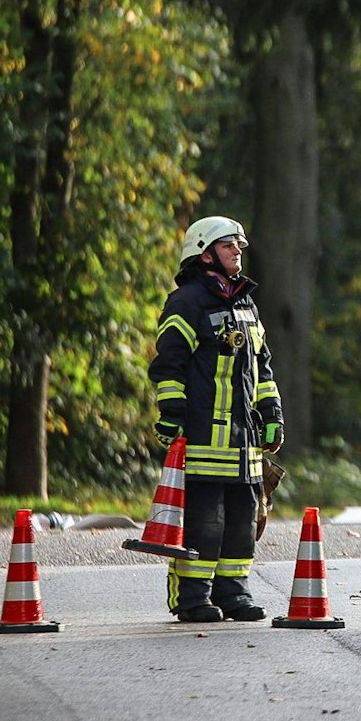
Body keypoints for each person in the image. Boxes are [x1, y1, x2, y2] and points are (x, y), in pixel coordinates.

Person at [149, 216, 284, 622]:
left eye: (239, 245)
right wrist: (172, 413)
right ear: (205, 254)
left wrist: (272, 414)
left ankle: (234, 593)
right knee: (205, 523)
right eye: (228, 246)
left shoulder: (246, 303)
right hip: (204, 436)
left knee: (242, 522)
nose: (238, 251)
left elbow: (262, 367)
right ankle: (193, 597)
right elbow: (169, 364)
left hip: (244, 442)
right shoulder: (186, 302)